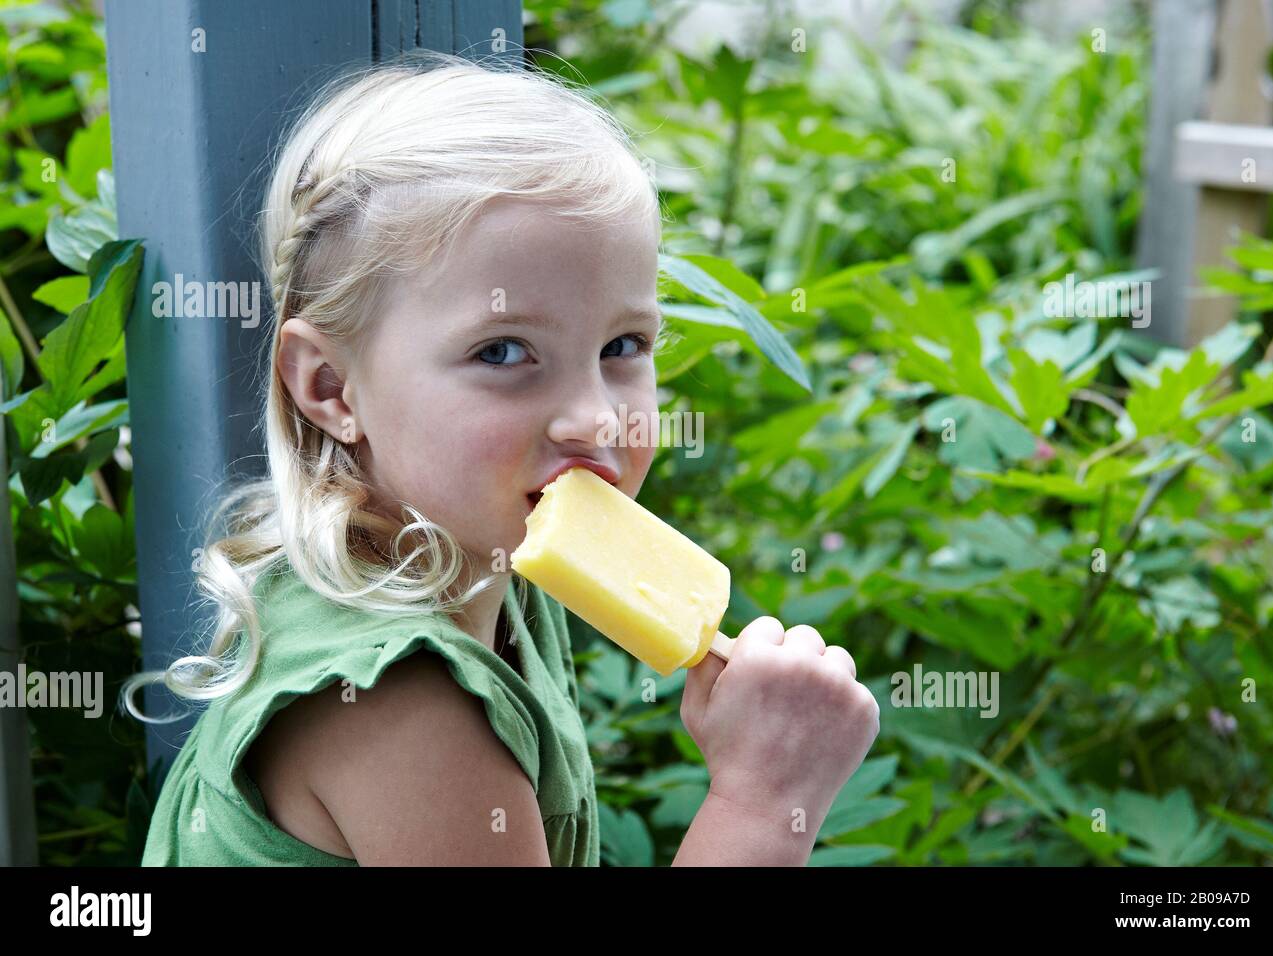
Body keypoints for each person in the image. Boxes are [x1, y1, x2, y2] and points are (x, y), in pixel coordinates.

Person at [126, 49, 879, 866]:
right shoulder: (397, 705)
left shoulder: (482, 561)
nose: (593, 418)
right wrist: (765, 803)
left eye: (624, 344)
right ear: (332, 388)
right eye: (503, 352)